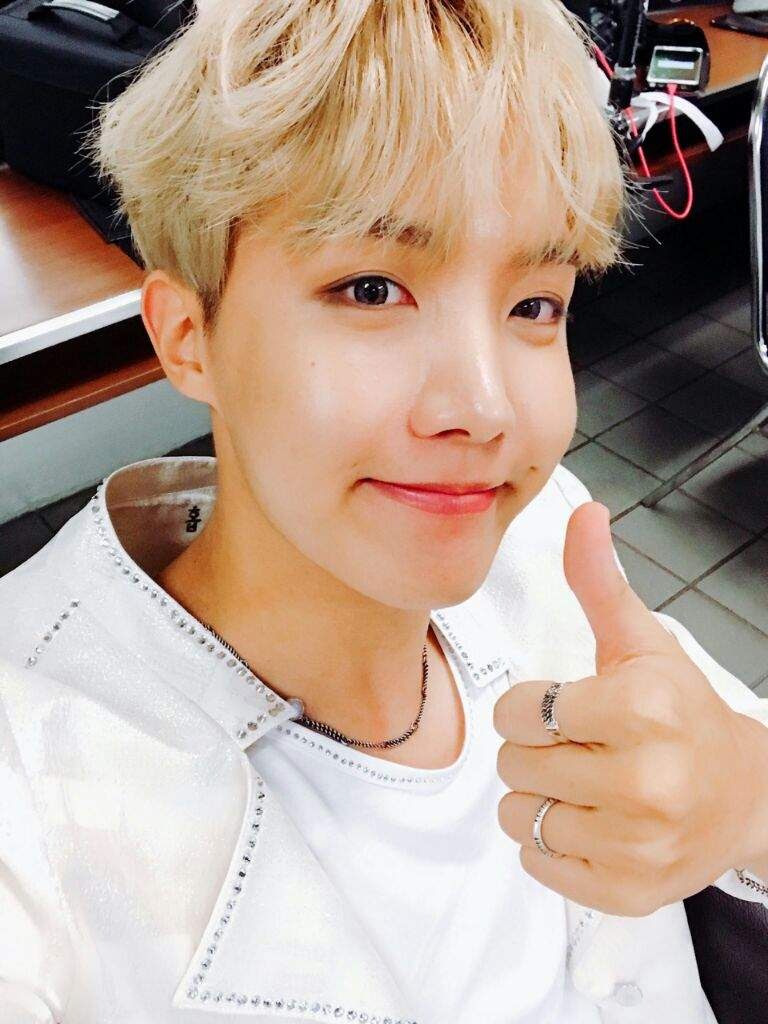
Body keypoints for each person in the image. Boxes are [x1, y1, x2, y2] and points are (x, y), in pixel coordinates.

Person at [1, 1, 767, 1022]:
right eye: (371, 289)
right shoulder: (33, 791)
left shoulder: (549, 541)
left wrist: (746, 800)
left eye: (534, 305)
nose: (485, 409)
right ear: (189, 337)